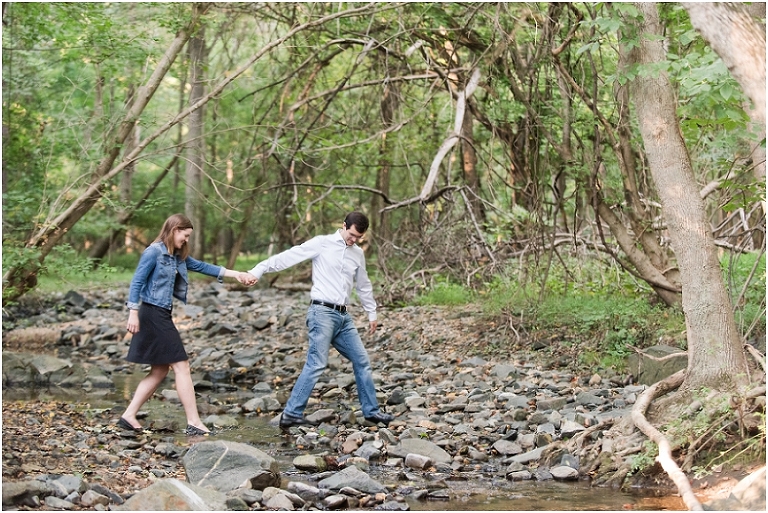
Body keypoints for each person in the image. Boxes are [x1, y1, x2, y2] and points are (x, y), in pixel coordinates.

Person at [247, 211, 394, 429]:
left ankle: (371, 412)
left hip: (344, 317)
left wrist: (371, 312)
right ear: (344, 225)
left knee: (362, 360)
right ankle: (291, 414)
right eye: (352, 235)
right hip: (321, 313)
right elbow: (287, 257)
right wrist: (258, 270)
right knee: (317, 363)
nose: (354, 240)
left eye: (358, 238)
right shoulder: (322, 244)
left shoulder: (357, 254)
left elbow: (363, 284)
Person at [120, 213, 256, 436]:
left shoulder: (177, 257)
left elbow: (204, 267)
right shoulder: (153, 252)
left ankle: (129, 414)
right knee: (181, 365)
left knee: (160, 369)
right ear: (174, 230)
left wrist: (237, 274)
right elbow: (137, 282)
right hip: (151, 313)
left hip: (162, 313)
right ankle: (194, 421)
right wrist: (132, 312)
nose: (186, 240)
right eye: (185, 235)